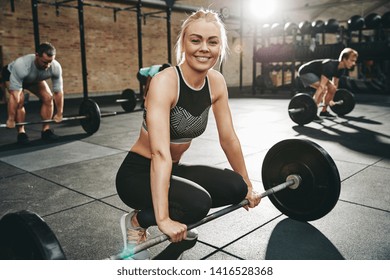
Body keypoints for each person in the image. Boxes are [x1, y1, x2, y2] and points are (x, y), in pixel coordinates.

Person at [116, 9, 261, 260]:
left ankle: (180, 222)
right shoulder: (165, 82)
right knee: (197, 205)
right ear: (183, 42)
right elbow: (159, 153)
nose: (204, 48)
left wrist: (248, 183)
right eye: (196, 40)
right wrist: (162, 219)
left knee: (235, 187)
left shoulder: (216, 82)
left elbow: (228, 138)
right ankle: (138, 221)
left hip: (172, 169)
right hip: (138, 174)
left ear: (220, 47)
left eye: (212, 42)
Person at [2, 42, 64, 144]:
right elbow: (15, 96)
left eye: (50, 62)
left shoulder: (55, 67)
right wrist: (11, 118)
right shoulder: (21, 65)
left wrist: (59, 113)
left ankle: (46, 130)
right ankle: (21, 132)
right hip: (11, 75)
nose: (47, 66)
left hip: (33, 78)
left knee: (48, 98)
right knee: (20, 101)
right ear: (36, 56)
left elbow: (58, 92)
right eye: (44, 62)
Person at [298, 48, 358, 119]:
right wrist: (312, 107)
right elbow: (321, 87)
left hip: (317, 74)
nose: (354, 63)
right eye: (352, 60)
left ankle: (324, 112)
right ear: (344, 59)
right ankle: (313, 112)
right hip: (305, 71)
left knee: (332, 88)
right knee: (324, 88)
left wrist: (331, 100)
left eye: (354, 61)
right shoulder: (330, 66)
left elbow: (335, 85)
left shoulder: (341, 69)